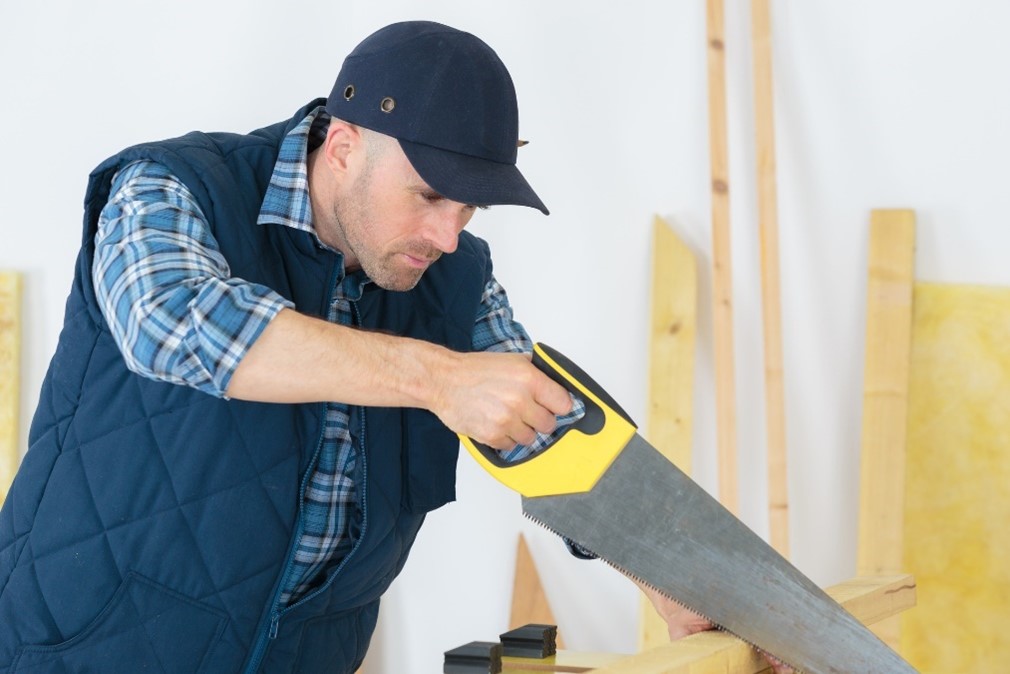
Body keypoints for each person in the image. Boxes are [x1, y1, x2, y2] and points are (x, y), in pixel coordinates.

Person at [0, 20, 789, 674]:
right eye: (430, 196)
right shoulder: (174, 189)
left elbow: (543, 424)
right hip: (92, 646)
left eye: (469, 208)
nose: (448, 235)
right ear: (343, 145)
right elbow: (173, 321)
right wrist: (438, 379)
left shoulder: (453, 277)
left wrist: (678, 577)